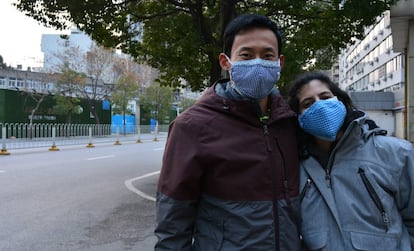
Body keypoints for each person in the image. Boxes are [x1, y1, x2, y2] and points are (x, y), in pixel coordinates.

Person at [154, 13, 301, 250]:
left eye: (267, 55)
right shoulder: (192, 126)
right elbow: (173, 220)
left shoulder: (291, 123)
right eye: (246, 55)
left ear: (279, 63)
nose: (257, 62)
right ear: (225, 62)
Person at [287, 72, 414, 251]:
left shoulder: (396, 153)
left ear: (341, 102)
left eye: (325, 97)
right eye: (308, 103)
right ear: (298, 117)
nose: (320, 105)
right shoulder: (294, 167)